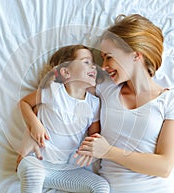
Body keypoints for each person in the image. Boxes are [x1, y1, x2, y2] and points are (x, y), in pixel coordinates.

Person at [75, 14, 174, 193]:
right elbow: (60, 92)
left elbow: (164, 166)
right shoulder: (106, 88)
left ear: (136, 55)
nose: (104, 66)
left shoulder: (171, 100)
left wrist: (108, 151)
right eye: (102, 58)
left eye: (109, 57)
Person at [16, 45, 110, 193]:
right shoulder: (54, 92)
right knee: (34, 173)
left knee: (101, 187)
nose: (93, 66)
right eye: (86, 62)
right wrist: (35, 124)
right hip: (36, 161)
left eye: (93, 63)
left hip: (64, 170)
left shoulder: (94, 103)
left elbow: (94, 136)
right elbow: (24, 103)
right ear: (66, 72)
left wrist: (90, 150)